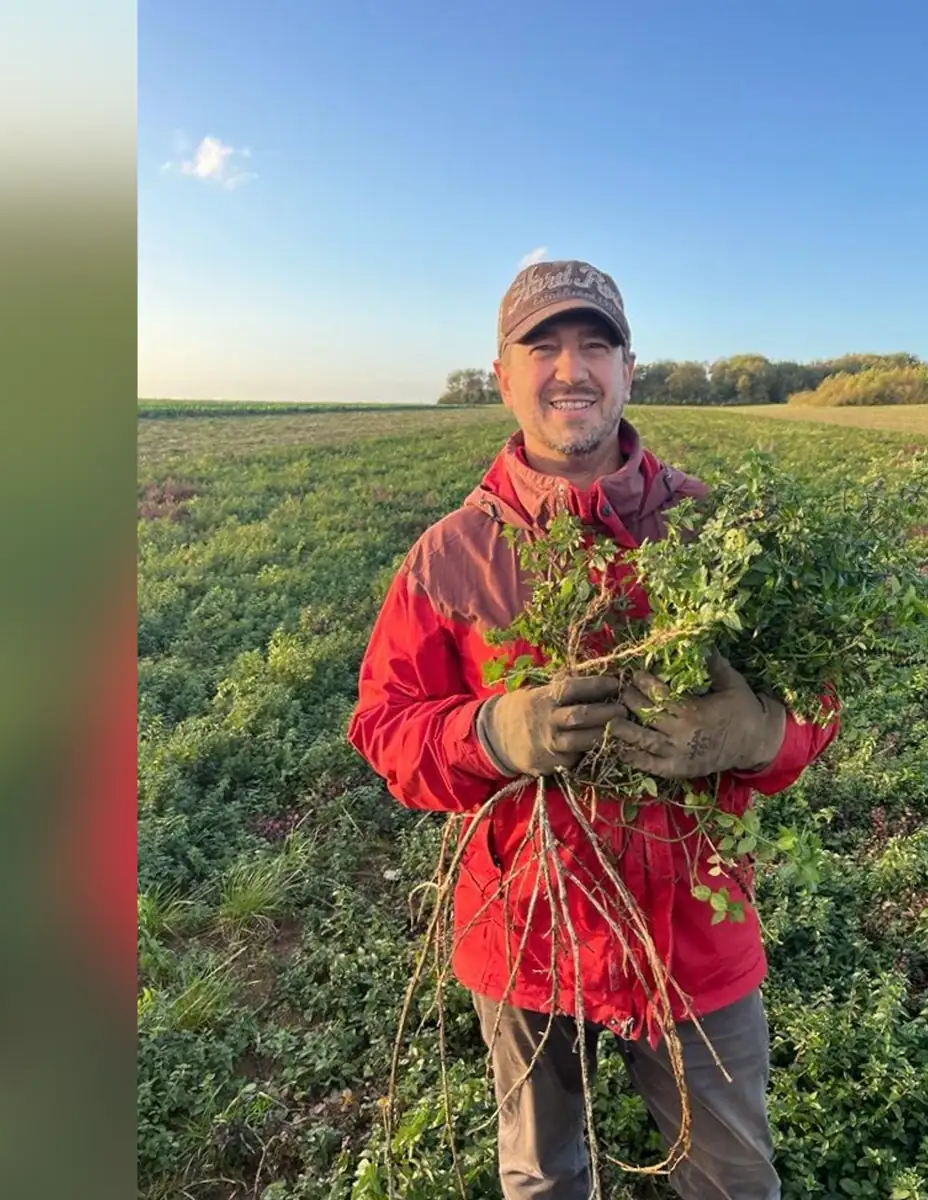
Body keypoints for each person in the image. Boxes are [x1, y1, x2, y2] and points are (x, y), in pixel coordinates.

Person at [347, 259, 840, 1199]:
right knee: (542, 1177)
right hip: (525, 932)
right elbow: (384, 728)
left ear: (629, 370)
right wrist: (495, 734)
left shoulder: (709, 531)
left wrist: (759, 732)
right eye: (545, 347)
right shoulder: (452, 554)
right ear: (504, 375)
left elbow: (820, 701)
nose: (571, 369)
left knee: (735, 1177)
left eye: (595, 346)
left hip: (694, 926)